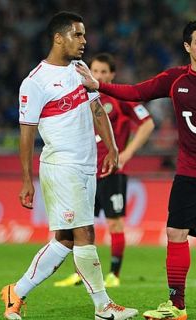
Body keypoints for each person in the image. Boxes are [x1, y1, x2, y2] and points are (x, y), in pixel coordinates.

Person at [78, 19, 196, 320]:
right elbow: (136, 91)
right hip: (189, 172)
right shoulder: (175, 78)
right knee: (175, 232)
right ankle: (176, 306)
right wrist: (99, 85)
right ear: (187, 47)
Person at [0, 12, 138, 320]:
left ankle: (16, 292)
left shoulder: (81, 69)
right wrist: (26, 180)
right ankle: (103, 306)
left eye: (85, 35)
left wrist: (113, 148)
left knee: (64, 239)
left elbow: (97, 110)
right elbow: (26, 134)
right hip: (62, 165)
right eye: (78, 35)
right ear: (58, 38)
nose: (84, 41)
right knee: (85, 232)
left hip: (87, 164)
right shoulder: (35, 82)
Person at [53, 53, 155, 288]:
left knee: (114, 223)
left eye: (102, 72)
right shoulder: (79, 97)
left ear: (111, 75)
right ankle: (81, 273)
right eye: (94, 71)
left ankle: (114, 275)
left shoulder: (120, 97)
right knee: (80, 225)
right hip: (84, 171)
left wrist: (126, 155)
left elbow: (147, 123)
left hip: (111, 172)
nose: (97, 75)